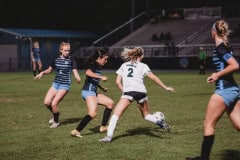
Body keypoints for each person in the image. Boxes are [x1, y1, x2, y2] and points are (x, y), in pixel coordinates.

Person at [186, 20, 240, 160]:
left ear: (213, 32)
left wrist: (216, 75)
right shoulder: (225, 46)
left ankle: (204, 158)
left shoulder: (221, 48)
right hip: (233, 89)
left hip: (224, 90)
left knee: (208, 124)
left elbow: (234, 65)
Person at [99, 47, 175, 142]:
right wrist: (166, 87)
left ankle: (108, 137)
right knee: (146, 115)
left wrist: (124, 92)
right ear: (141, 55)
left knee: (115, 115)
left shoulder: (124, 65)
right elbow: (153, 77)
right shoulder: (143, 65)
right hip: (141, 92)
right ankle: (161, 123)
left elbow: (118, 82)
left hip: (129, 92)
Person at [34, 42, 81, 128]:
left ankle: (56, 122)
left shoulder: (71, 60)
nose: (67, 52)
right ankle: (55, 113)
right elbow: (49, 70)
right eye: (65, 50)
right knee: (46, 102)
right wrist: (42, 73)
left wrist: (78, 78)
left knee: (54, 103)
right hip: (56, 84)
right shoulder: (56, 59)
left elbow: (74, 71)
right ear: (61, 50)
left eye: (68, 50)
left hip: (65, 85)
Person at [71, 49, 114, 138]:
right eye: (105, 59)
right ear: (99, 58)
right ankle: (76, 131)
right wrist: (101, 77)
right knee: (93, 113)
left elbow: (93, 80)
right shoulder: (93, 65)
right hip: (88, 92)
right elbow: (88, 73)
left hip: (92, 92)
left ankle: (103, 127)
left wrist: (101, 88)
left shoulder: (98, 66)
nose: (106, 61)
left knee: (110, 103)